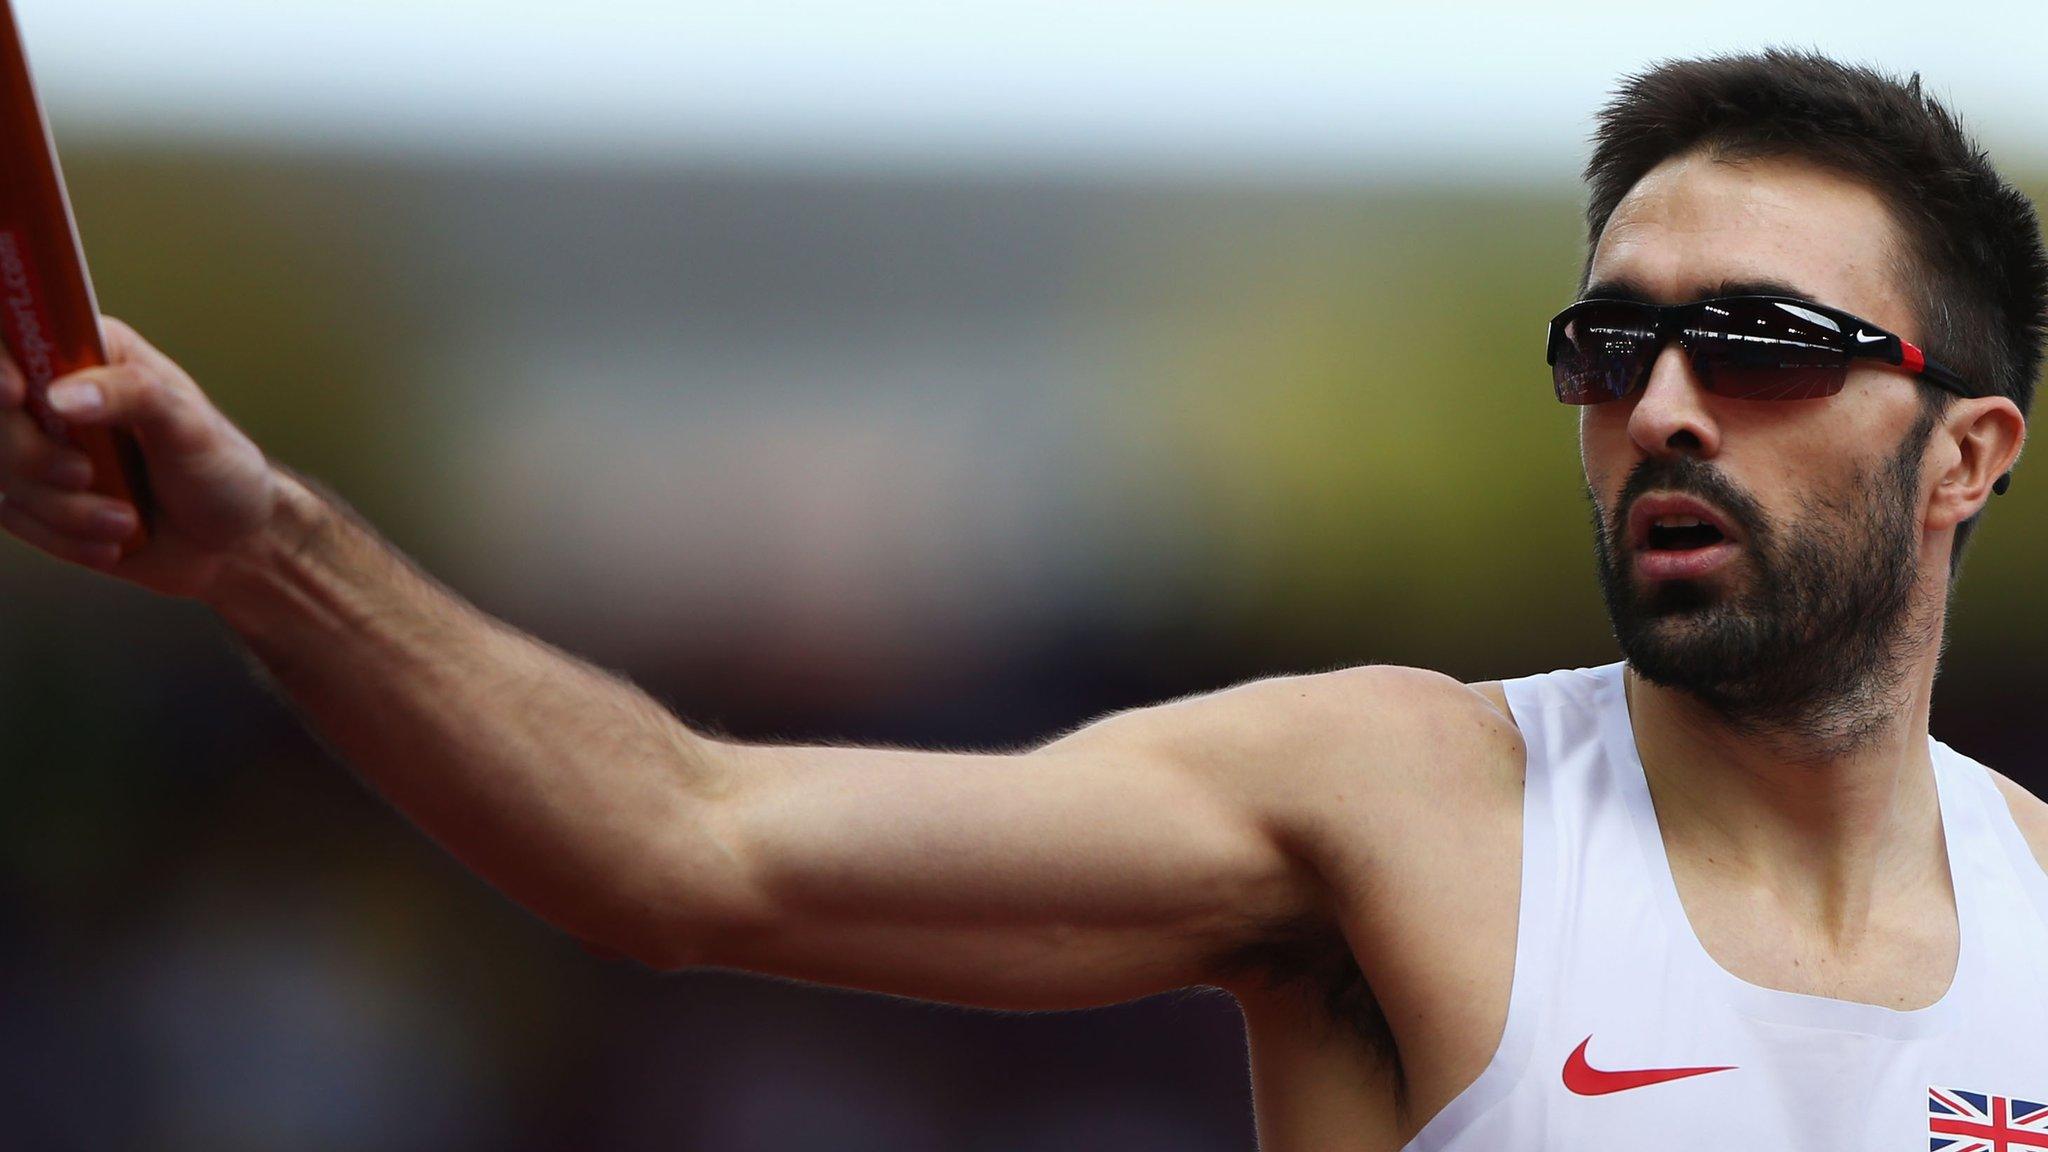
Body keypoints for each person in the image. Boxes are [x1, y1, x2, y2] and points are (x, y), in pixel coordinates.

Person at [3, 47, 2045, 1149]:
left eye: (1761, 342)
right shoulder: (1407, 800)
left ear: (1966, 453)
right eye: (1608, 351)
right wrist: (261, 548)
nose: (1663, 406)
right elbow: (683, 843)